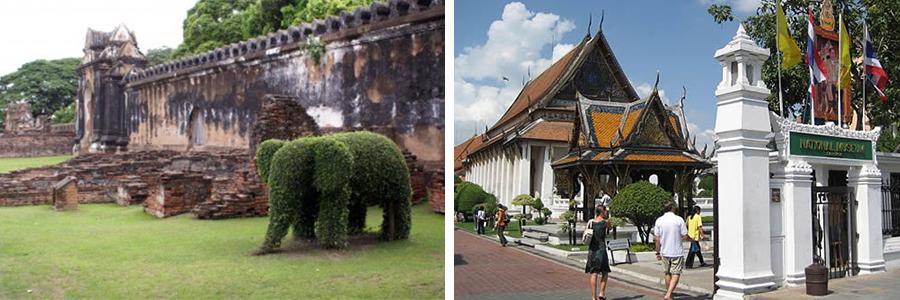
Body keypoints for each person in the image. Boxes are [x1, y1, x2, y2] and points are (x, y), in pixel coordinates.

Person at [653, 202, 690, 300]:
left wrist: (657, 251)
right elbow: (685, 236)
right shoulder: (679, 220)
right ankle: (669, 294)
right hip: (676, 251)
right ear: (672, 208)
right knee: (676, 273)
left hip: (664, 251)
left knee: (667, 273)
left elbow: (657, 239)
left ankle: (669, 294)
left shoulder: (659, 221)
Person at [584, 205, 611, 300]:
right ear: (601, 212)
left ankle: (593, 297)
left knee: (593, 273)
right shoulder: (605, 223)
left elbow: (586, 233)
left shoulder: (591, 222)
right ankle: (602, 293)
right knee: (605, 272)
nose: (606, 212)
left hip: (592, 250)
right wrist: (609, 218)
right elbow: (610, 228)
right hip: (601, 250)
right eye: (605, 211)